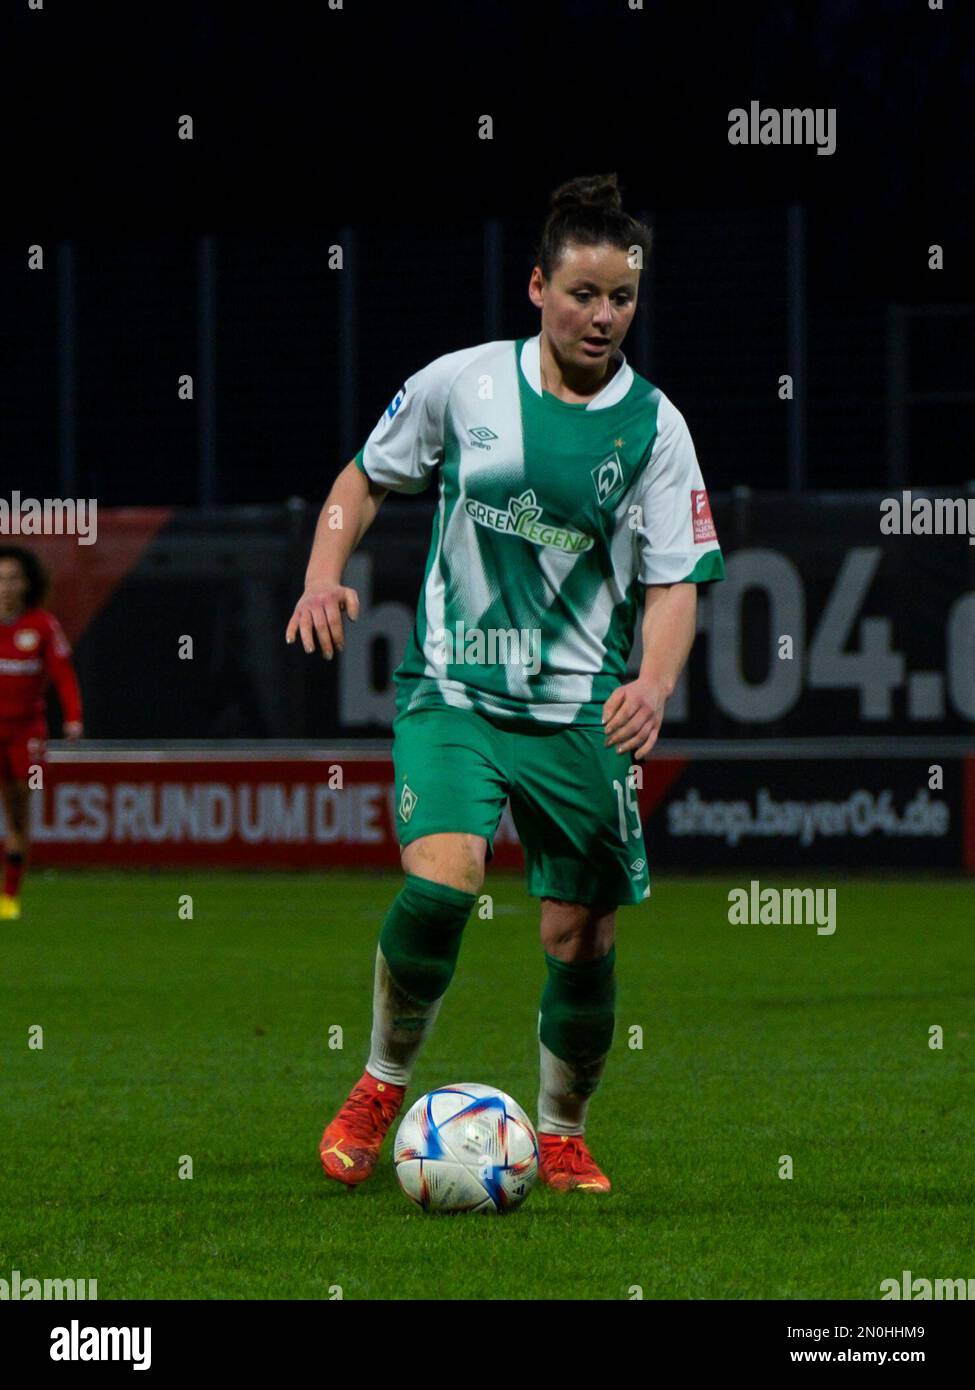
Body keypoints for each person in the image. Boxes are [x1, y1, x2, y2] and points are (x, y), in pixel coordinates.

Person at [286, 173, 724, 1193]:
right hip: (457, 695)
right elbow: (363, 478)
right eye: (583, 293)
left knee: (581, 934)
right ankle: (379, 1084)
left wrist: (654, 685)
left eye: (621, 298)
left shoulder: (656, 429)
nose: (603, 315)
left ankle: (563, 1131)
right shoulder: (463, 384)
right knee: (444, 881)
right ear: (537, 286)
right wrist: (321, 573)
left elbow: (676, 584)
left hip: (581, 716)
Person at [0, 546, 83, 920]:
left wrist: (73, 717)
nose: (6, 587)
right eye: (0, 579)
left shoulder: (42, 625)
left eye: (13, 579)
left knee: (20, 810)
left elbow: (63, 674)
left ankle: (9, 897)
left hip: (25, 733)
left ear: (27, 583)